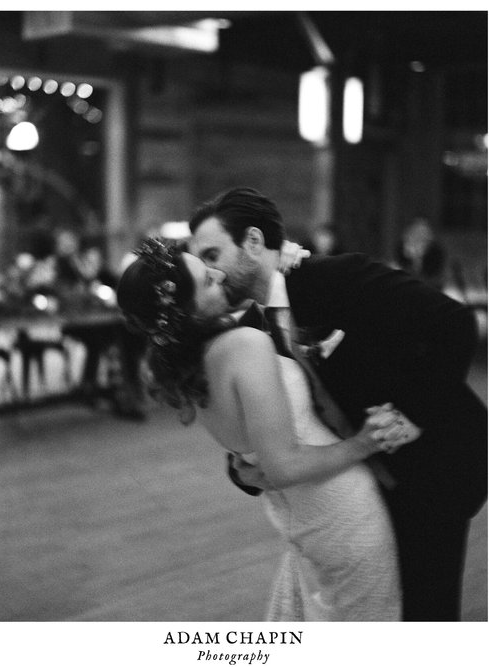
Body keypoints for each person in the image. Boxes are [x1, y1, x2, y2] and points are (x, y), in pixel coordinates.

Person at [189, 187, 487, 621]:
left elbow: (455, 325)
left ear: (253, 242)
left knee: (427, 612)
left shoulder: (338, 277)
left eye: (213, 255)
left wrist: (412, 418)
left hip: (433, 465)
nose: (212, 274)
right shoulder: (253, 331)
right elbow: (267, 423)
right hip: (359, 488)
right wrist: (243, 472)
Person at [117, 238, 420, 621]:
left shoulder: (194, 363)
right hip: (341, 514)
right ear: (187, 313)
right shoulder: (245, 344)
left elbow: (257, 451)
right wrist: (363, 443)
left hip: (301, 520)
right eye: (207, 280)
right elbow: (283, 466)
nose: (218, 273)